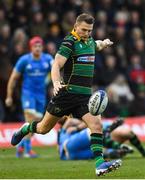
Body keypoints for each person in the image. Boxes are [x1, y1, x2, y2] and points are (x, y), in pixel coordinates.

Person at [10, 13, 122, 176]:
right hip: (66, 95)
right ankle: (26, 128)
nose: (87, 33)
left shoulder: (89, 40)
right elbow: (56, 65)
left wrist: (103, 43)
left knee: (96, 124)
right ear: (75, 27)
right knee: (43, 129)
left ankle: (100, 164)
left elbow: (94, 45)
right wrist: (56, 83)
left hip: (84, 97)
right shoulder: (69, 42)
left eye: (90, 30)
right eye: (84, 30)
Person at [5, 36, 53, 158]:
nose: (37, 48)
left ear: (42, 47)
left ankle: (20, 145)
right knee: (30, 118)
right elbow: (13, 78)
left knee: (36, 124)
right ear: (31, 48)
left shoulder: (47, 59)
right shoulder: (24, 60)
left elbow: (55, 70)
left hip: (41, 95)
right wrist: (9, 96)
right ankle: (28, 150)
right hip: (28, 94)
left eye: (39, 46)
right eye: (35, 46)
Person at [57, 117, 135, 160]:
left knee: (98, 151)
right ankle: (108, 134)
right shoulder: (65, 128)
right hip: (68, 145)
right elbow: (71, 121)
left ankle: (114, 152)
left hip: (68, 156)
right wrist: (77, 128)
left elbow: (58, 148)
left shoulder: (62, 131)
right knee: (93, 133)